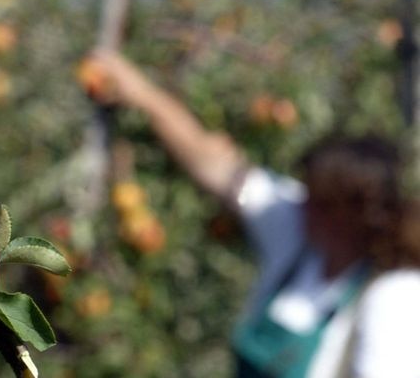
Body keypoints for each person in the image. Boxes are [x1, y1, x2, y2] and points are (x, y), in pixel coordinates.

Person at [79, 48, 420, 378]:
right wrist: (140, 92)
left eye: (319, 201)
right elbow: (217, 168)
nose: (303, 204)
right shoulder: (296, 236)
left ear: (351, 214)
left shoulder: (392, 296)